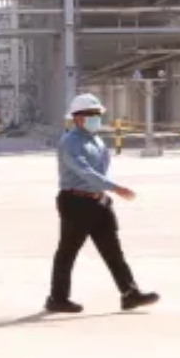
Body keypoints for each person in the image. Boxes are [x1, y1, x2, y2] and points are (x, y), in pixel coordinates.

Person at [45, 93, 159, 314]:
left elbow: (100, 170)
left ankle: (130, 293)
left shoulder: (96, 140)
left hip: (98, 201)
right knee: (68, 251)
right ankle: (57, 298)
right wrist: (114, 188)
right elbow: (84, 171)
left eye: (97, 114)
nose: (96, 118)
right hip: (75, 202)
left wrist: (104, 194)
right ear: (77, 117)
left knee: (113, 250)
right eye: (91, 114)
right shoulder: (70, 143)